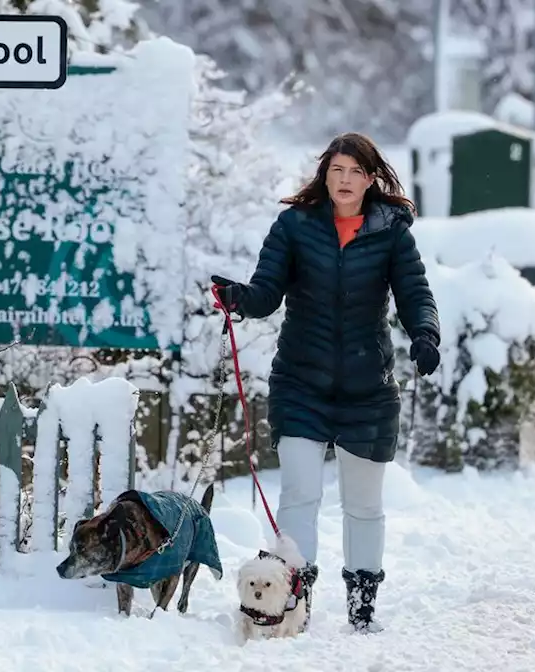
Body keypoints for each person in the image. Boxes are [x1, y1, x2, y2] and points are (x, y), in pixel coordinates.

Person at [212, 132, 440, 634]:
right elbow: (267, 291)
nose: (346, 179)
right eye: (338, 169)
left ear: (371, 178)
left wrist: (425, 334)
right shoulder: (295, 226)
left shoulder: (392, 232)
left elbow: (415, 293)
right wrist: (239, 299)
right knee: (300, 493)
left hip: (368, 390)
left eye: (356, 171)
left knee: (363, 504)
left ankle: (362, 604)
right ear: (325, 173)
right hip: (301, 383)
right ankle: (297, 599)